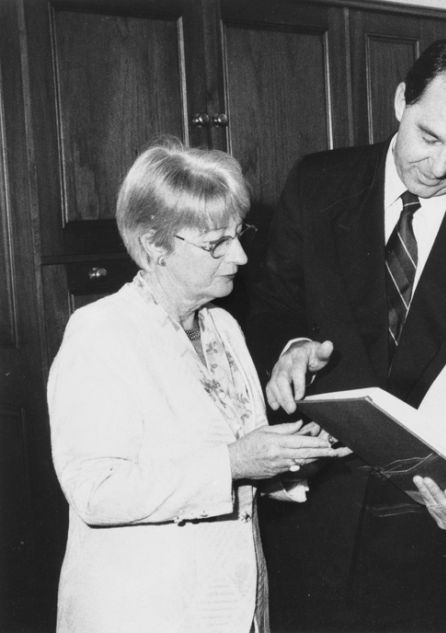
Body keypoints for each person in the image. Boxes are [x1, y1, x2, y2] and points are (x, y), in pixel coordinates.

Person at [246, 39, 446, 632]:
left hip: (431, 535)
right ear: (401, 100)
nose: (440, 166)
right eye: (429, 136)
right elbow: (269, 305)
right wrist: (290, 344)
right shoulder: (318, 184)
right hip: (314, 517)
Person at [47, 138, 349, 633]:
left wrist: (290, 460)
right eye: (216, 244)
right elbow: (94, 492)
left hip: (232, 607)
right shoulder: (102, 333)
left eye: (238, 234)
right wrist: (233, 462)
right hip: (143, 613)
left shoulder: (223, 328)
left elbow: (235, 469)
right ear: (152, 247)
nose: (242, 257)